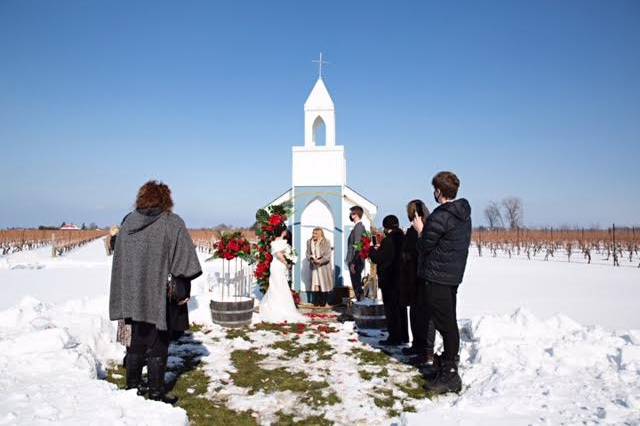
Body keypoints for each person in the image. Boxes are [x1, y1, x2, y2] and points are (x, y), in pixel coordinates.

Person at [109, 180, 202, 403]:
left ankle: (132, 387)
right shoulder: (172, 222)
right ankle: (156, 392)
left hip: (130, 295)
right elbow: (186, 261)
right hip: (159, 296)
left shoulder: (128, 221)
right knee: (158, 343)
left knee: (134, 341)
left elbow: (118, 256)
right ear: (166, 199)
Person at [411, 171, 471, 394]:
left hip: (437, 277)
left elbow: (424, 246)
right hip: (452, 275)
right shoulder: (463, 213)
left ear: (439, 191)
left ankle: (450, 375)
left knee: (446, 325)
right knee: (448, 321)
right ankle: (446, 366)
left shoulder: (440, 216)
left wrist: (420, 231)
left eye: (435, 189)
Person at [401, 200, 436, 361]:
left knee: (423, 315)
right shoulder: (413, 230)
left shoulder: (426, 230)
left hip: (422, 278)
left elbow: (424, 250)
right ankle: (416, 344)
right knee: (414, 313)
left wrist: (409, 255)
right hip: (411, 278)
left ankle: (424, 350)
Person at [369, 215, 408, 345]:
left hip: (389, 280)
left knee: (391, 310)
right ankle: (404, 335)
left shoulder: (389, 240)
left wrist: (371, 250)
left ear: (387, 227)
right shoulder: (403, 238)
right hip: (402, 279)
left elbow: (379, 258)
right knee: (401, 309)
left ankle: (394, 337)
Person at [260, 227, 307, 323]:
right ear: (282, 232)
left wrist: (289, 259)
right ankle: (278, 307)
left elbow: (282, 253)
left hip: (278, 266)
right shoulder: (279, 242)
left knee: (279, 285)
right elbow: (278, 254)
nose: (286, 232)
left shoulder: (276, 242)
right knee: (278, 285)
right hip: (278, 265)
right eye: (285, 231)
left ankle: (278, 304)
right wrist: (287, 262)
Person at [306, 228, 334, 306]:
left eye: (315, 233)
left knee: (323, 283)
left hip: (323, 266)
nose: (313, 235)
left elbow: (328, 255)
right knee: (316, 282)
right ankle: (316, 300)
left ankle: (323, 300)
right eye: (313, 233)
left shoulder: (326, 242)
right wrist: (312, 259)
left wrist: (320, 261)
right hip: (314, 266)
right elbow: (307, 253)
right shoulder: (309, 242)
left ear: (320, 234)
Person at [345, 206, 366, 301]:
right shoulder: (358, 227)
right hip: (356, 260)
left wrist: (353, 263)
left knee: (356, 285)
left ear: (356, 215)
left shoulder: (358, 227)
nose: (350, 215)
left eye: (352, 213)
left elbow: (357, 246)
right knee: (356, 284)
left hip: (356, 260)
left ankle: (361, 307)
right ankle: (361, 304)